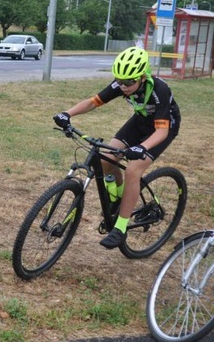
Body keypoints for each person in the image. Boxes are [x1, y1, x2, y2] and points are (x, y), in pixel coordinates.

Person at [52, 46, 180, 249]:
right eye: (119, 81)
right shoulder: (121, 84)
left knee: (132, 170)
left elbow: (161, 132)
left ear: (142, 77)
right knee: (106, 160)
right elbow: (94, 102)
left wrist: (141, 148)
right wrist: (67, 113)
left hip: (162, 128)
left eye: (128, 82)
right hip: (140, 122)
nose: (123, 86)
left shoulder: (159, 90)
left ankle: (120, 228)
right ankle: (118, 196)